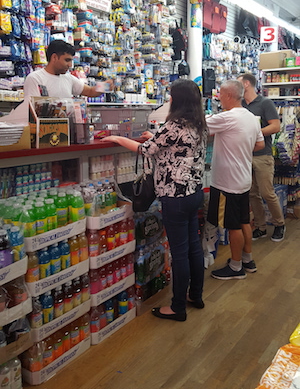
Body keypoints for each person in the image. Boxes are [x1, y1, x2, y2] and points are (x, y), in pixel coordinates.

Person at [103, 79, 207, 322]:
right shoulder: (200, 124)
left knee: (179, 253)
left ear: (177, 100)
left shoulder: (174, 125)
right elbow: (171, 145)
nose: (169, 99)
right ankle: (196, 295)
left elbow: (145, 150)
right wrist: (156, 136)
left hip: (175, 197)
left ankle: (177, 307)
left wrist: (117, 139)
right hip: (194, 194)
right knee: (193, 247)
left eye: (171, 96)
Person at [206, 80, 265, 280]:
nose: (219, 98)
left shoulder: (226, 117)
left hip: (227, 182)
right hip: (243, 179)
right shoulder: (251, 117)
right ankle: (247, 259)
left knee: (233, 226)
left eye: (221, 94)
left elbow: (197, 127)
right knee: (243, 221)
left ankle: (236, 266)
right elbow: (259, 144)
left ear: (229, 96)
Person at [238, 73, 285, 242]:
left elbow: (275, 126)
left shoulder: (265, 103)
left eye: (238, 84)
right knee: (252, 194)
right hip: (245, 156)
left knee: (267, 192)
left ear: (246, 84)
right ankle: (260, 226)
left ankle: (279, 224)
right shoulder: (240, 105)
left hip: (262, 155)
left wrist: (254, 133)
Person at [24, 40, 104, 99]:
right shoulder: (35, 78)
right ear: (54, 57)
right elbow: (33, 109)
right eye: (67, 60)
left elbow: (90, 91)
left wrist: (106, 86)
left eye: (71, 61)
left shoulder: (68, 78)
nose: (70, 65)